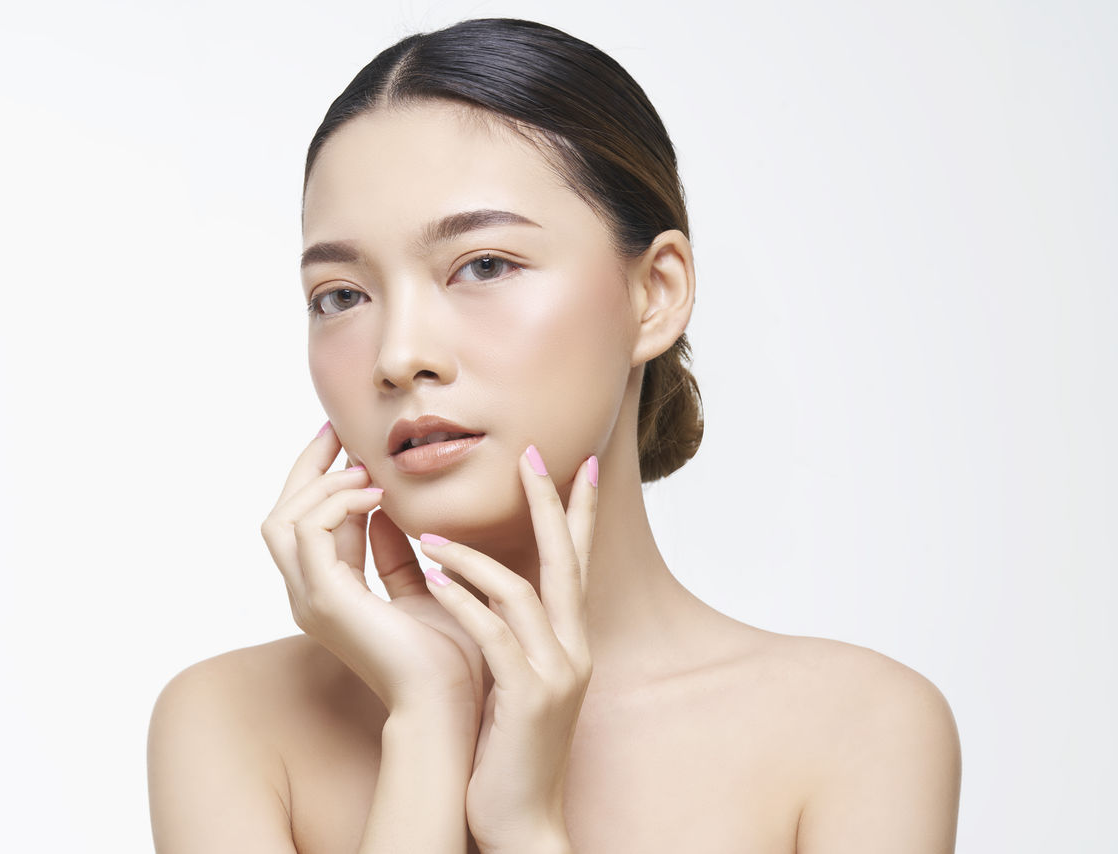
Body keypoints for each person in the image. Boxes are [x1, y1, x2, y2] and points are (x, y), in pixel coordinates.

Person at [147, 18, 961, 853]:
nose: (399, 357)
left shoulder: (856, 731)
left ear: (656, 294)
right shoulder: (232, 724)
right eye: (342, 295)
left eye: (485, 265)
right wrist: (429, 720)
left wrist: (526, 830)